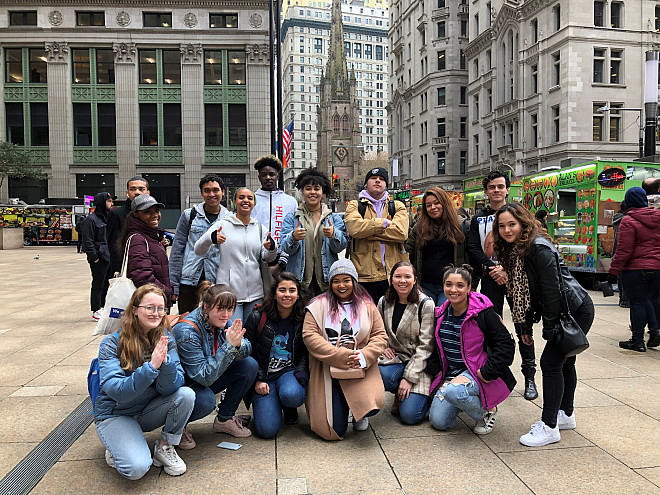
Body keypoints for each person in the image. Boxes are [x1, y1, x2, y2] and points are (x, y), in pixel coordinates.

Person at [493, 203, 594, 447]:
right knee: (565, 360)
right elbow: (523, 294)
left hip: (572, 310)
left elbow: (552, 293)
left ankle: (549, 426)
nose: (507, 230)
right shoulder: (516, 249)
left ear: (524, 223)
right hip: (566, 309)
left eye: (512, 224)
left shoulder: (538, 248)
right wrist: (525, 326)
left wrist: (549, 329)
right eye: (502, 226)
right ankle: (565, 414)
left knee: (551, 362)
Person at [94, 284, 194, 480]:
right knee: (137, 469)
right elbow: (116, 391)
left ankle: (164, 447)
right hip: (116, 413)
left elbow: (173, 386)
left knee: (186, 395)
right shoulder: (111, 343)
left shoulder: (166, 338)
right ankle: (116, 445)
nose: (156, 313)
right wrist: (150, 368)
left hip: (146, 409)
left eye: (161, 308)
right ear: (134, 310)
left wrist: (165, 365)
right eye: (149, 307)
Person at [467, 171, 538, 401]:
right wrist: (491, 267)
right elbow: (474, 248)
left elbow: (527, 244)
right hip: (490, 279)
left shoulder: (518, 214)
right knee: (491, 327)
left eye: (500, 186)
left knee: (523, 326)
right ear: (486, 191)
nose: (496, 190)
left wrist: (507, 270)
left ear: (507, 189)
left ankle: (530, 376)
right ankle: (495, 374)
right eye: (492, 187)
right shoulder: (478, 219)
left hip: (517, 280)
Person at [302, 259, 388, 440]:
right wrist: (337, 355)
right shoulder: (317, 305)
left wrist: (364, 355)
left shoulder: (367, 305)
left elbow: (380, 335)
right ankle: (344, 403)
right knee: (334, 430)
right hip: (327, 367)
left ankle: (360, 412)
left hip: (358, 365)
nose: (341, 285)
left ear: (354, 281)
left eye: (346, 280)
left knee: (372, 405)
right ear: (330, 283)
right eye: (336, 281)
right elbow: (309, 336)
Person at [427, 266, 516, 435]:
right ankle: (463, 399)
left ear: (469, 288)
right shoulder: (440, 314)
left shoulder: (484, 314)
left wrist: (487, 371)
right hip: (450, 375)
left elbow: (506, 345)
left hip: (476, 372)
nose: (453, 290)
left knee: (455, 392)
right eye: (449, 285)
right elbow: (434, 348)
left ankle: (488, 412)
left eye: (460, 285)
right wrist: (437, 372)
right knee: (439, 422)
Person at [172, 283, 259, 446]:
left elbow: (247, 348)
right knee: (207, 401)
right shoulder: (187, 332)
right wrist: (229, 346)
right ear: (206, 306)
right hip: (184, 388)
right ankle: (176, 427)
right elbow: (203, 377)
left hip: (206, 377)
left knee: (249, 365)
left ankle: (224, 419)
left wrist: (238, 344)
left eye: (230, 309)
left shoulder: (220, 319)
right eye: (221, 309)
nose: (226, 315)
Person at [195, 187, 278, 322]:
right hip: (229, 292)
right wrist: (211, 238)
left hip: (255, 292)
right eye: (241, 197)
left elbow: (268, 257)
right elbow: (198, 249)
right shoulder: (223, 224)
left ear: (254, 203)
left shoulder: (259, 227)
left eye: (250, 198)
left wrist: (271, 248)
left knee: (251, 335)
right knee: (232, 334)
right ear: (234, 202)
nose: (245, 201)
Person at [244, 273, 309, 438]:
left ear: (298, 294)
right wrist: (257, 379)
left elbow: (306, 352)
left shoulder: (304, 318)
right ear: (274, 293)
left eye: (292, 290)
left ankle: (288, 404)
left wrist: (301, 373)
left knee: (293, 395)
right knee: (267, 431)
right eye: (282, 290)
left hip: (288, 371)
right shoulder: (258, 315)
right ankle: (274, 402)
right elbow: (246, 351)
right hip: (264, 375)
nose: (287, 294)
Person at [377, 261, 435, 425]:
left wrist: (409, 378)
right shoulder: (384, 301)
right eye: (398, 276)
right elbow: (377, 331)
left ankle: (427, 397)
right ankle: (400, 392)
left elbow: (426, 347)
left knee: (410, 417)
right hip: (396, 358)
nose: (402, 281)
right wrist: (383, 346)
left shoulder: (426, 304)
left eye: (407, 277)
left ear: (415, 279)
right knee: (384, 375)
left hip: (419, 362)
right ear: (391, 279)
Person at [280, 168, 349, 299]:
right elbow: (284, 247)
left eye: (317, 188)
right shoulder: (292, 218)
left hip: (325, 281)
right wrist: (293, 237)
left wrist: (334, 235)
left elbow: (341, 247)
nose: (312, 192)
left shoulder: (334, 218)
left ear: (322, 191)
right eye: (308, 188)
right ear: (302, 191)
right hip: (299, 282)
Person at [344, 167, 410, 304]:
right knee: (367, 320)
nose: (377, 181)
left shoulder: (397, 206)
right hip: (364, 276)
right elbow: (355, 229)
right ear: (366, 183)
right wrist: (384, 223)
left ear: (386, 184)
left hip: (393, 275)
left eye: (382, 179)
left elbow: (401, 233)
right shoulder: (354, 206)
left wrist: (367, 232)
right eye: (373, 178)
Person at [169, 174, 230, 314]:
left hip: (216, 280)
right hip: (189, 280)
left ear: (223, 192)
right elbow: (177, 250)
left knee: (213, 321)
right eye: (207, 190)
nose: (211, 194)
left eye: (215, 190)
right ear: (202, 193)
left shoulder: (229, 219)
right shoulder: (189, 215)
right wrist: (174, 285)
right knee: (186, 321)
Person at [609, 187, 660, 351]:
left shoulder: (628, 220)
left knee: (638, 302)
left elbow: (624, 250)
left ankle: (637, 340)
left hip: (636, 269)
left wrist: (614, 270)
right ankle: (654, 331)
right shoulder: (658, 217)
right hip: (657, 268)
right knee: (648, 300)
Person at [405, 187, 465, 306]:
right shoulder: (419, 228)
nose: (433, 207)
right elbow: (409, 253)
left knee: (443, 319)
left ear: (445, 203)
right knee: (428, 320)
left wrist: (469, 285)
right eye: (428, 205)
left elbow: (469, 255)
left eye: (437, 203)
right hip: (425, 285)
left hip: (450, 285)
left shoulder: (461, 226)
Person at [118, 195, 173, 306]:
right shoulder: (138, 239)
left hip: (154, 301)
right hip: (149, 304)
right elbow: (142, 276)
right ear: (136, 214)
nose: (154, 215)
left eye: (157, 210)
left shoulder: (151, 236)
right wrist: (166, 292)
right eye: (147, 212)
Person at [252, 155, 298, 270]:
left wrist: (281, 264)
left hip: (284, 262)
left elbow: (294, 231)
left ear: (277, 176)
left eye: (271, 174)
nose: (268, 178)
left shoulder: (290, 202)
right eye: (264, 175)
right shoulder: (251, 200)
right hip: (256, 260)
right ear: (259, 177)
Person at [107, 176, 150, 278]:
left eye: (141, 189)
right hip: (126, 268)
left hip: (148, 265)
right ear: (127, 192)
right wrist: (118, 270)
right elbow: (113, 245)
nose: (137, 192)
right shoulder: (116, 214)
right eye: (132, 189)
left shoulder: (152, 213)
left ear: (148, 192)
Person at [83, 192, 116, 321]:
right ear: (102, 203)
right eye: (109, 201)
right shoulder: (91, 220)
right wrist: (94, 257)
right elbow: (88, 240)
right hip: (99, 258)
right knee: (98, 284)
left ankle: (103, 306)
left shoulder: (108, 218)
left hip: (109, 257)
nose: (111, 204)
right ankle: (96, 309)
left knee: (107, 284)